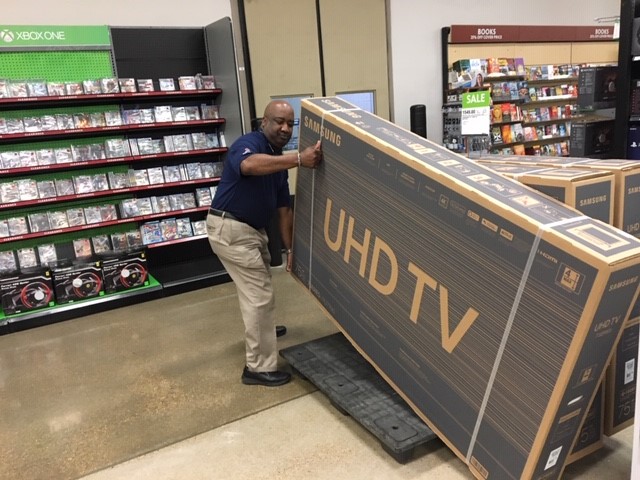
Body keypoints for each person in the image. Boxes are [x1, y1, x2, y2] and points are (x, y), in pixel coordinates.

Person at [207, 100, 322, 387]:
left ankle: (263, 330)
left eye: (290, 123)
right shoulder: (249, 144)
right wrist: (298, 159)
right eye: (278, 121)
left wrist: (291, 250)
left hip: (251, 230)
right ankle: (257, 367)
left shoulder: (278, 162)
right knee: (259, 296)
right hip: (231, 228)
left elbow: (284, 210)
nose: (285, 128)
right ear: (264, 123)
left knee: (257, 291)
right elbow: (247, 166)